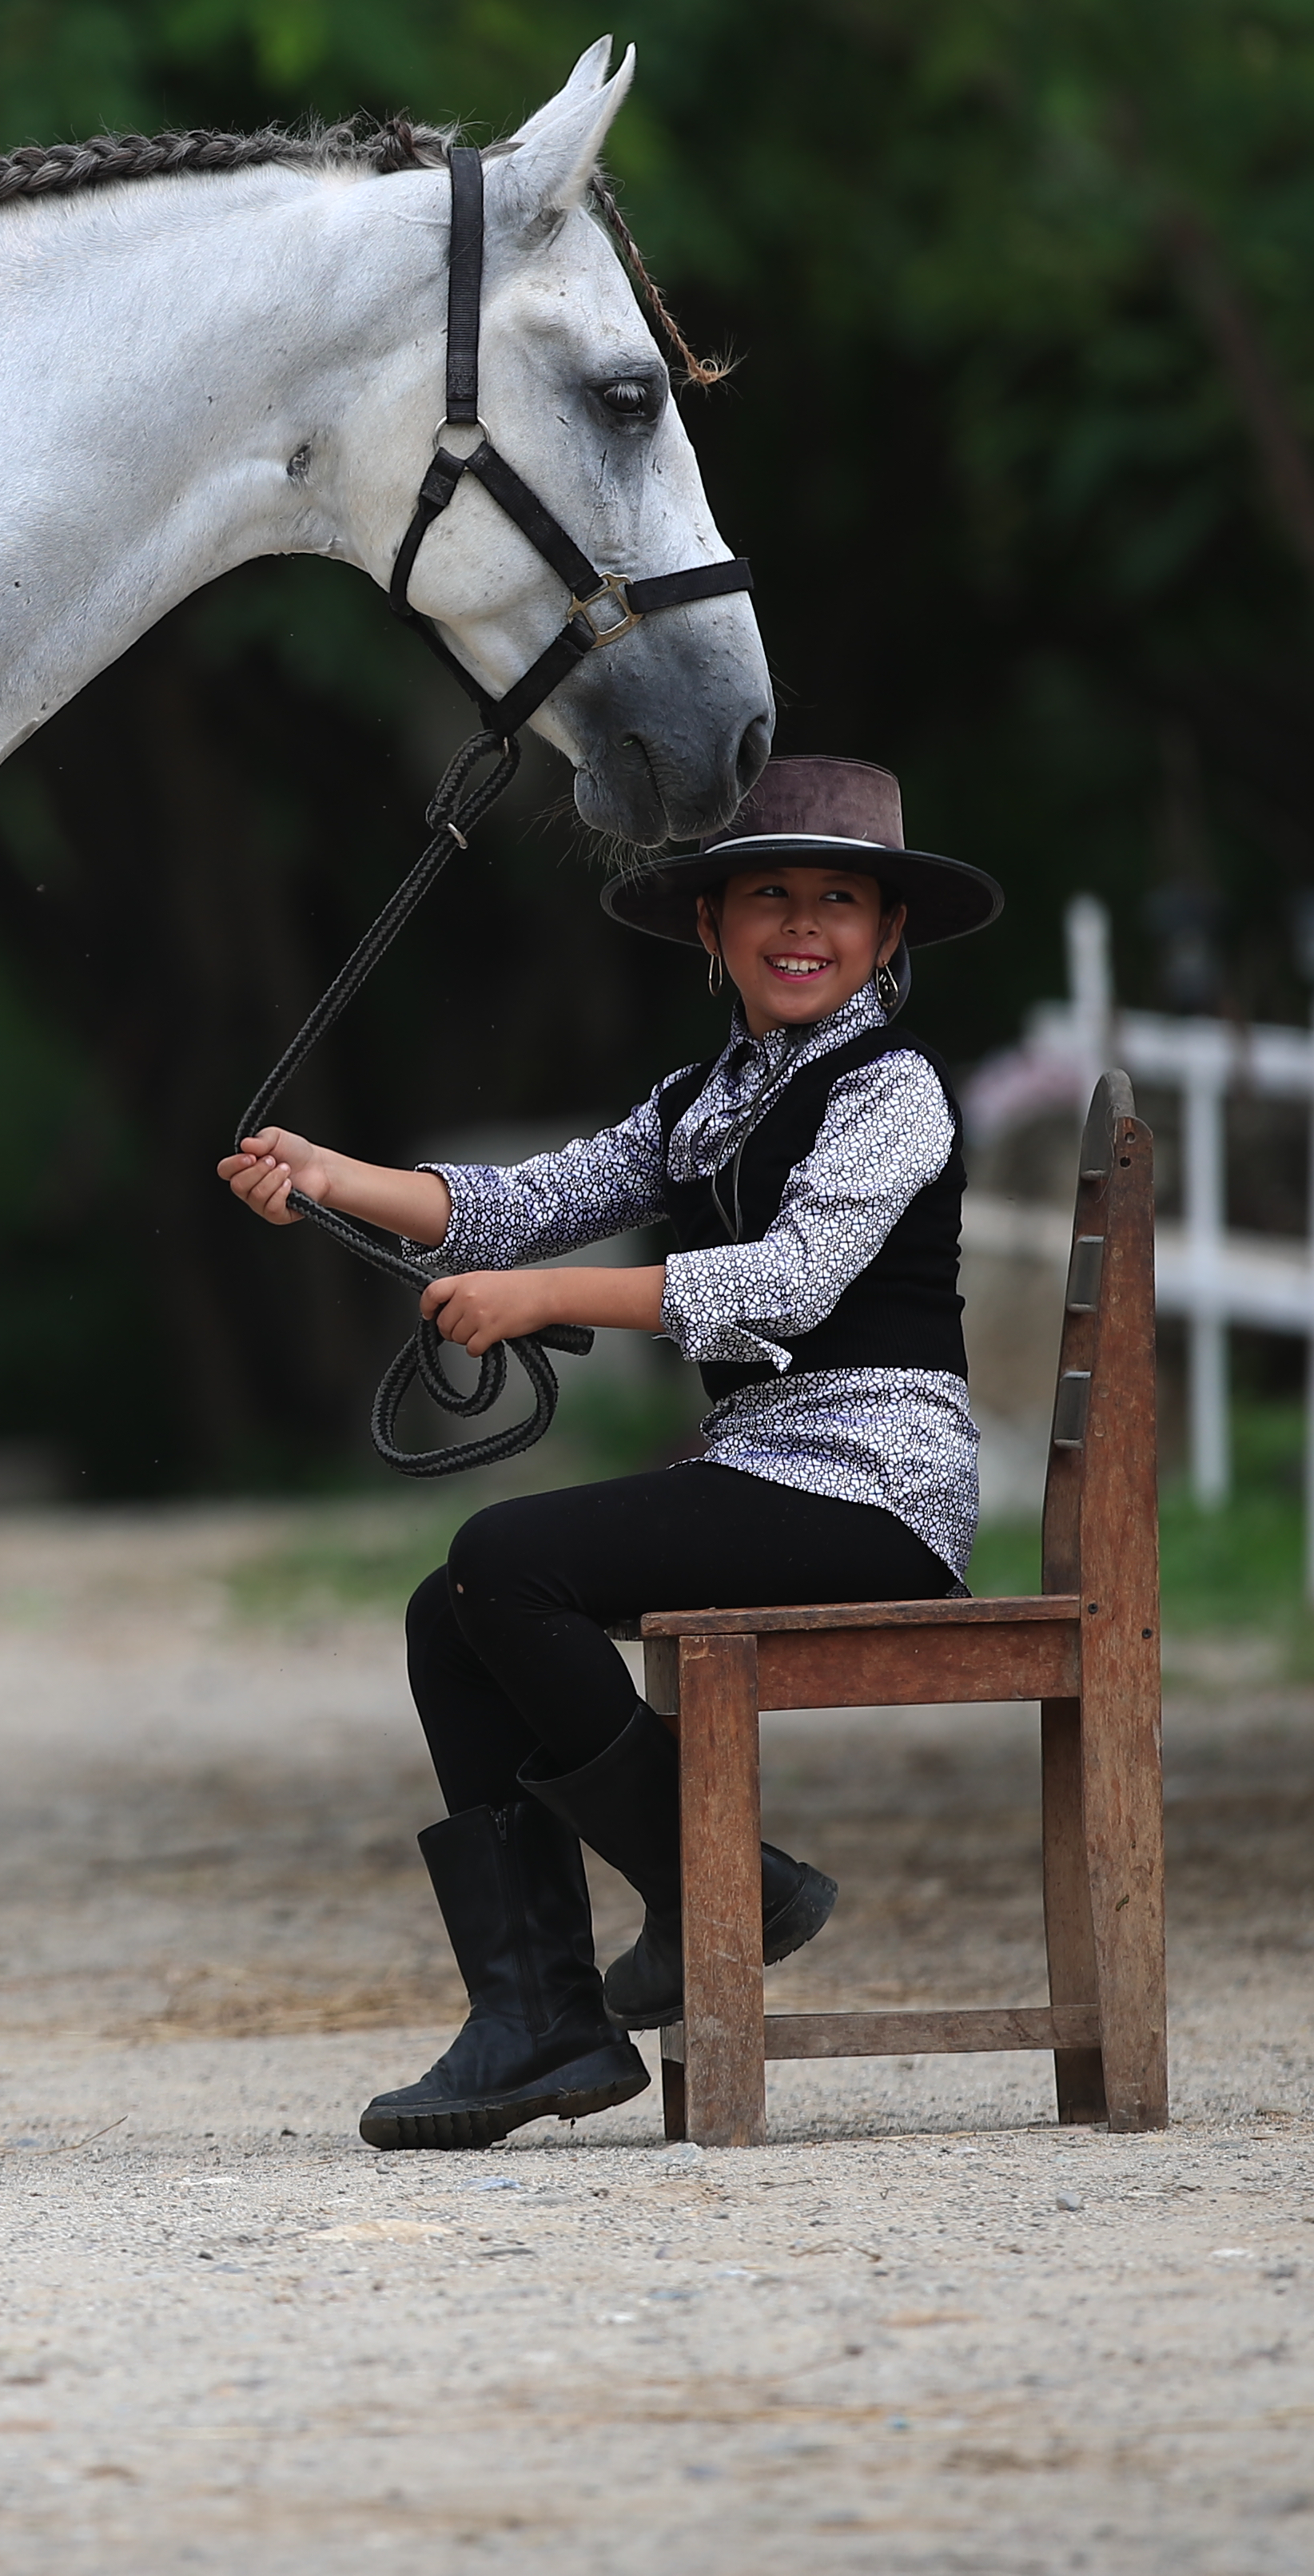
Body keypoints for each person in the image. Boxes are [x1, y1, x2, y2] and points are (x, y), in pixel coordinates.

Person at [217, 757, 1005, 2150]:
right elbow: (533, 1200)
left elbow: (793, 1279)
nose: (801, 925)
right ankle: (541, 2019)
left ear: (889, 936)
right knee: (449, 1614)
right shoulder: (710, 1095)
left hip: (877, 1487)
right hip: (760, 1470)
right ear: (712, 928)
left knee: (504, 1560)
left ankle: (720, 1888)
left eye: (838, 899)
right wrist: (333, 1177)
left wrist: (551, 1299)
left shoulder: (896, 1091)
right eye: (768, 895)